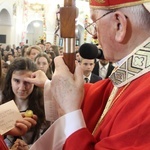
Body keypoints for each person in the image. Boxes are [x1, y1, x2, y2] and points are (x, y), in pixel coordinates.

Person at [25, 0, 150, 149]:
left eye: (94, 23)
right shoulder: (133, 75)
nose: (95, 35)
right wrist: (49, 85)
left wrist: (71, 111)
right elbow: (98, 96)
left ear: (119, 25)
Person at [1, 57, 49, 149]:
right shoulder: (3, 103)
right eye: (16, 81)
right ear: (10, 80)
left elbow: (48, 140)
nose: (22, 88)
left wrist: (29, 147)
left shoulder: (44, 105)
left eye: (27, 82)